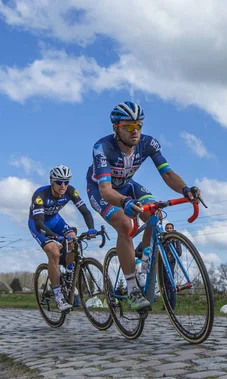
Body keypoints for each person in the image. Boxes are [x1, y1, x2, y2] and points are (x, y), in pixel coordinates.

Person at [86, 101, 200, 312]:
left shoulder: (148, 144)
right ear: (116, 128)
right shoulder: (102, 148)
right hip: (102, 189)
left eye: (139, 125)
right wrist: (124, 202)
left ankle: (145, 261)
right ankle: (132, 287)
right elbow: (106, 190)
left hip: (128, 186)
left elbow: (167, 174)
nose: (135, 130)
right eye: (129, 126)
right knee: (125, 224)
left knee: (154, 211)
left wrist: (185, 190)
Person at [28, 165, 97, 312]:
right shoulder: (41, 195)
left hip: (55, 220)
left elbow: (85, 211)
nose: (63, 186)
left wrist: (91, 228)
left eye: (66, 182)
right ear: (52, 182)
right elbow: (39, 223)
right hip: (38, 224)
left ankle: (69, 273)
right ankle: (58, 295)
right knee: (54, 251)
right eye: (59, 182)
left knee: (73, 239)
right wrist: (56, 237)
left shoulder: (70, 191)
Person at [162, 223, 182, 309]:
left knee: (170, 284)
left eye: (170, 228)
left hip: (170, 262)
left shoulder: (175, 239)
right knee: (163, 284)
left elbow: (179, 252)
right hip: (162, 262)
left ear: (173, 229)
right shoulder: (164, 238)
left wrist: (170, 258)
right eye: (167, 228)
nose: (169, 230)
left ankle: (172, 305)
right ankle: (165, 305)